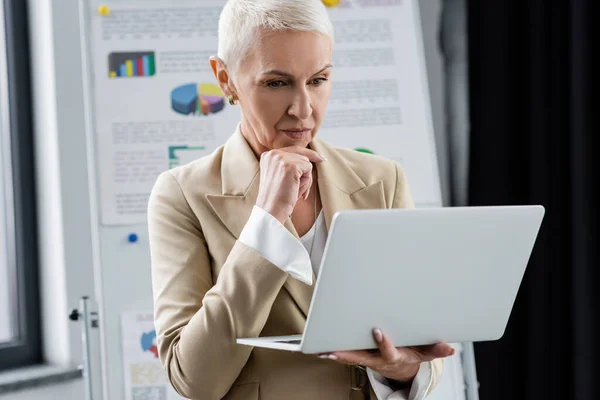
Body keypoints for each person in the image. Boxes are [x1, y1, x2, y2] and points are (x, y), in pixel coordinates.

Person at [148, 0, 455, 399]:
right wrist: (267, 221)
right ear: (224, 79)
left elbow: (416, 343)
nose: (303, 109)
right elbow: (194, 379)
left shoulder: (381, 180)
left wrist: (403, 369)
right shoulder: (182, 194)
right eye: (277, 83)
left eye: (318, 80)